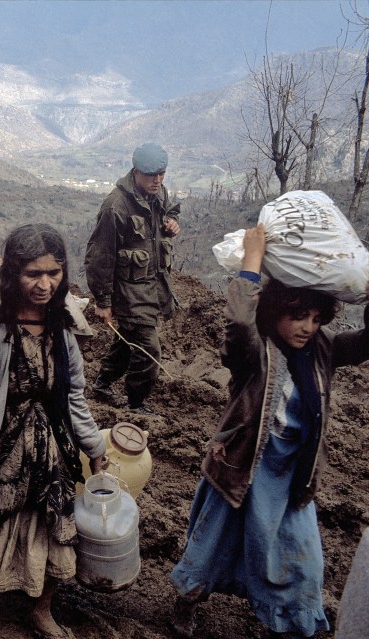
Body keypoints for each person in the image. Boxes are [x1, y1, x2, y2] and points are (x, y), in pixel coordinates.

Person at [169, 225, 369, 639]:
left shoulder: (323, 349)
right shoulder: (254, 353)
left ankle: (293, 622)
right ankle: (187, 600)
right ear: (273, 311)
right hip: (242, 465)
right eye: (297, 316)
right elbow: (239, 323)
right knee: (213, 544)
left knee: (304, 559)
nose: (307, 327)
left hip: (292, 473)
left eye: (315, 319)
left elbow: (366, 342)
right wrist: (252, 262)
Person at [0, 224, 109, 639]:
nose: (45, 284)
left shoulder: (62, 328)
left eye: (53, 273)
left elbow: (74, 398)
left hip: (48, 447)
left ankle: (41, 606)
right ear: (13, 274)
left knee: (54, 525)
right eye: (33, 274)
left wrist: (95, 446)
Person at [84, 142, 181, 415]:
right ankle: (137, 403)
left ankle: (102, 384)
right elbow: (99, 258)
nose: (158, 180)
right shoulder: (115, 207)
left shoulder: (158, 193)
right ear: (136, 172)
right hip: (128, 294)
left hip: (154, 287)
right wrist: (103, 301)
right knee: (149, 350)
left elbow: (169, 213)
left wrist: (171, 223)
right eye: (151, 175)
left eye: (162, 174)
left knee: (127, 340)